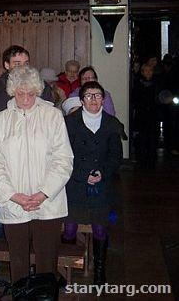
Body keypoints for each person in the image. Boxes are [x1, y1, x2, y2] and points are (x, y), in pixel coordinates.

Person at [0, 66, 73, 283]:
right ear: (12, 92)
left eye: (30, 94)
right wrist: (13, 195)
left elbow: (63, 160)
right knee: (18, 265)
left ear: (37, 91)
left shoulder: (53, 116)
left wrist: (43, 193)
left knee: (46, 265)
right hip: (14, 202)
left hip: (48, 203)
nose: (25, 99)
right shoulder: (0, 121)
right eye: (20, 93)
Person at [63, 81, 124, 285]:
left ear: (103, 99)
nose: (94, 100)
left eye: (98, 95)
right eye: (89, 96)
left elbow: (116, 156)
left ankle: (99, 270)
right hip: (75, 184)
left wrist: (102, 172)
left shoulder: (111, 123)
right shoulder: (69, 122)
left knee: (100, 228)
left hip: (102, 185)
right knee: (70, 228)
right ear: (81, 101)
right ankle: (66, 270)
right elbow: (63, 154)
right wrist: (83, 173)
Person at [0, 45, 53, 115]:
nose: (23, 68)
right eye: (17, 64)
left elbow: (49, 113)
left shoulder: (41, 86)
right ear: (7, 65)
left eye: (26, 63)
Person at [132, 64, 159, 169]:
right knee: (142, 138)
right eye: (146, 71)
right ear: (142, 72)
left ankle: (151, 160)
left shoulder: (156, 83)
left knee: (152, 138)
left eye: (150, 70)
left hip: (153, 115)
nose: (148, 72)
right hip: (141, 115)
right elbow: (135, 99)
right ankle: (142, 160)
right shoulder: (138, 84)